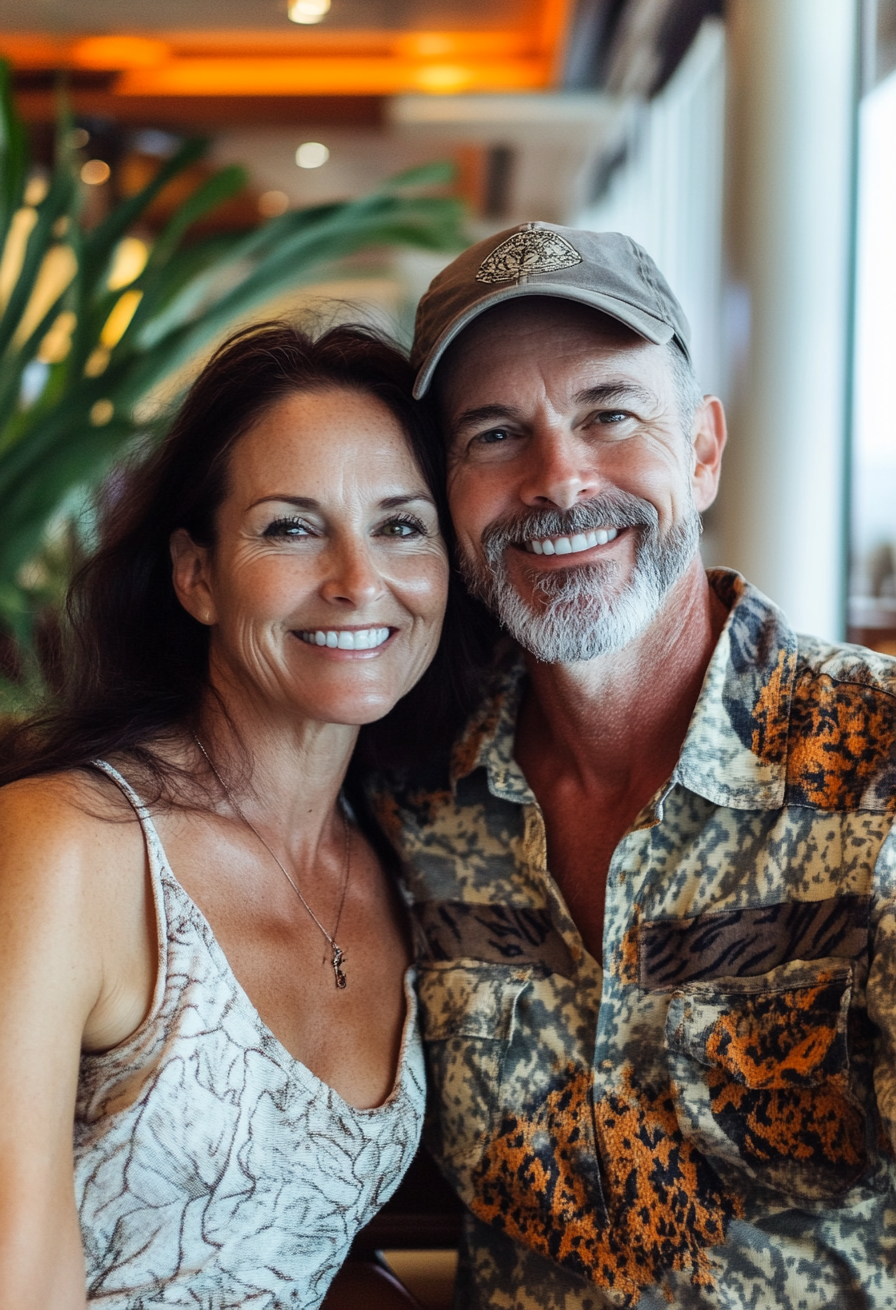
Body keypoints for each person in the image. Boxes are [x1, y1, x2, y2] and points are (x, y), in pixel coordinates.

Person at [370, 224, 896, 1309]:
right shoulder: (407, 795)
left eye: (608, 415)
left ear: (700, 451)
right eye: (493, 435)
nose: (557, 482)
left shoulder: (876, 765)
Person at [0, 320, 454, 1310]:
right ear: (196, 574)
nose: (356, 581)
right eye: (290, 527)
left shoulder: (408, 863)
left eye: (400, 525)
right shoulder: (69, 845)